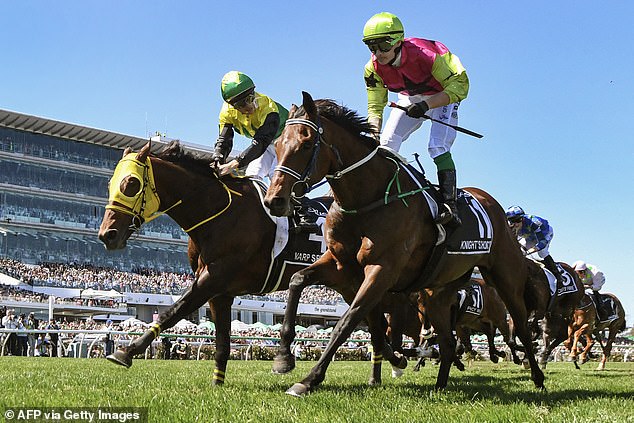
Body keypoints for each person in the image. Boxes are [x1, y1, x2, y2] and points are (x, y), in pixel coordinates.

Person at [362, 12, 469, 226]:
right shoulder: (372, 69)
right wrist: (372, 135)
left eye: (383, 45)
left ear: (398, 41)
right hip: (411, 96)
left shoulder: (428, 54)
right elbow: (375, 107)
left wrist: (426, 106)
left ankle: (450, 204)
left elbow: (461, 86)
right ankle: (382, 193)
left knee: (437, 147)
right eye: (371, 46)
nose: (378, 53)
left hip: (443, 95)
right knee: (386, 143)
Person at [211, 70, 318, 232]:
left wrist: (235, 163)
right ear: (232, 105)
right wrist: (217, 159)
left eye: (251, 97)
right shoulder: (226, 113)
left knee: (279, 177)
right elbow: (224, 140)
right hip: (266, 145)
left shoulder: (268, 107)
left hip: (284, 144)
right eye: (242, 104)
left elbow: (261, 142)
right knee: (252, 175)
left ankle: (305, 212)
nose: (250, 106)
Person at [506, 205, 563, 289]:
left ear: (522, 218)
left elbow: (542, 242)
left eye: (518, 220)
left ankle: (558, 275)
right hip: (529, 236)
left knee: (542, 253)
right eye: (512, 221)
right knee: (519, 251)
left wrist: (529, 251)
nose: (515, 224)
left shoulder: (535, 223)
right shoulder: (509, 225)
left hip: (544, 234)